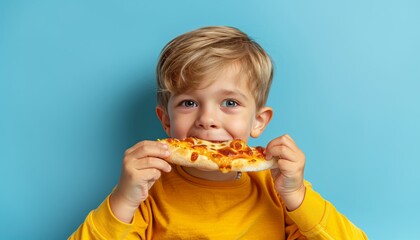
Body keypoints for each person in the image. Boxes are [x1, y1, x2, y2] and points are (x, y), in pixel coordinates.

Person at [69, 26, 367, 239]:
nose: (208, 119)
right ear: (166, 121)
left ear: (259, 122)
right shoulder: (147, 192)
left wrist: (297, 195)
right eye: (188, 102)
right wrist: (123, 199)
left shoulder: (278, 190)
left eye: (230, 103)